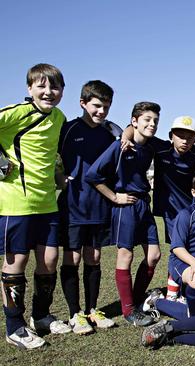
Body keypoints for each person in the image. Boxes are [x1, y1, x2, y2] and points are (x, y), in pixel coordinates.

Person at [1, 63, 71, 348]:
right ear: (29, 88)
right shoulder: (17, 112)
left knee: (49, 260)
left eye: (54, 87)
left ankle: (40, 316)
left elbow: (54, 153)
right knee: (16, 263)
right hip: (16, 202)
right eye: (41, 86)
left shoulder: (59, 117)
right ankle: (14, 326)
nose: (48, 92)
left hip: (47, 203)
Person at [85, 101, 162, 326]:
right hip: (125, 206)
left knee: (154, 255)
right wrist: (114, 197)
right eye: (147, 120)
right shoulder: (119, 146)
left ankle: (136, 299)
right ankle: (128, 310)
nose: (152, 124)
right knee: (125, 255)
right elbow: (93, 175)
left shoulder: (150, 146)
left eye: (155, 121)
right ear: (135, 121)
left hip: (143, 206)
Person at [57, 80, 122, 334]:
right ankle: (75, 314)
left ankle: (92, 309)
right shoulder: (68, 129)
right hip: (73, 205)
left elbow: (123, 136)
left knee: (93, 257)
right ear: (83, 103)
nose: (102, 111)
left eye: (106, 106)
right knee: (72, 258)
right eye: (97, 105)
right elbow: (49, 153)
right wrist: (57, 176)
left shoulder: (109, 133)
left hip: (99, 205)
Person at [143, 172, 195, 319]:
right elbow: (177, 247)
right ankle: (158, 301)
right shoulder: (186, 215)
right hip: (181, 263)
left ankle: (188, 303)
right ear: (194, 192)